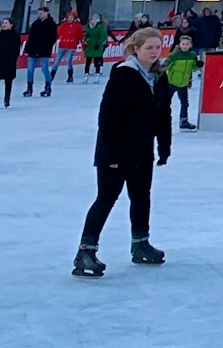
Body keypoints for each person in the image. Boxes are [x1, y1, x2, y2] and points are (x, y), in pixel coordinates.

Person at [72, 26, 172, 277]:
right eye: (148, 47)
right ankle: (86, 251)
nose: (154, 52)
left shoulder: (159, 76)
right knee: (106, 198)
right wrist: (112, 155)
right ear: (135, 49)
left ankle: (141, 244)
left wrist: (164, 146)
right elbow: (107, 117)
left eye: (157, 47)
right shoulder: (123, 75)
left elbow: (163, 115)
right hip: (115, 150)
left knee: (141, 197)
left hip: (142, 150)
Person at [163, 32, 202, 130]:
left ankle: (183, 121)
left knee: (185, 103)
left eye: (187, 44)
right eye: (183, 44)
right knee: (165, 102)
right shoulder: (174, 55)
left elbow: (193, 68)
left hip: (183, 84)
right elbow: (165, 66)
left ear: (190, 45)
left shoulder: (192, 55)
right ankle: (160, 120)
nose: (185, 46)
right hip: (171, 83)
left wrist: (198, 65)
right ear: (180, 45)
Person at [24, 6, 59, 96]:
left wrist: (47, 47)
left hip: (44, 51)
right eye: (38, 13)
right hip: (33, 50)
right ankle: (29, 88)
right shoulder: (35, 23)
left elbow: (53, 38)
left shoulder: (51, 24)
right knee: (30, 69)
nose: (39, 15)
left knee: (45, 69)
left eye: (41, 13)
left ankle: (48, 87)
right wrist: (27, 48)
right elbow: (31, 37)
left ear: (46, 13)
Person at [54, 8, 85, 83]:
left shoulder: (77, 26)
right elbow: (58, 33)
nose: (70, 19)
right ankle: (52, 75)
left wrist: (83, 44)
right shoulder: (64, 25)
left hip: (71, 46)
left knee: (68, 61)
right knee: (56, 61)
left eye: (71, 17)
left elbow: (80, 36)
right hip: (63, 45)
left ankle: (70, 76)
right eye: (68, 17)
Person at [83, 13, 110, 79]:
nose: (94, 18)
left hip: (96, 45)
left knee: (96, 60)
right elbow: (87, 33)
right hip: (90, 45)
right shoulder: (89, 25)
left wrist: (98, 43)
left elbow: (102, 36)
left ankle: (97, 74)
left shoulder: (100, 26)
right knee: (88, 61)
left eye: (96, 17)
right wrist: (84, 39)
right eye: (93, 16)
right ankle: (86, 74)